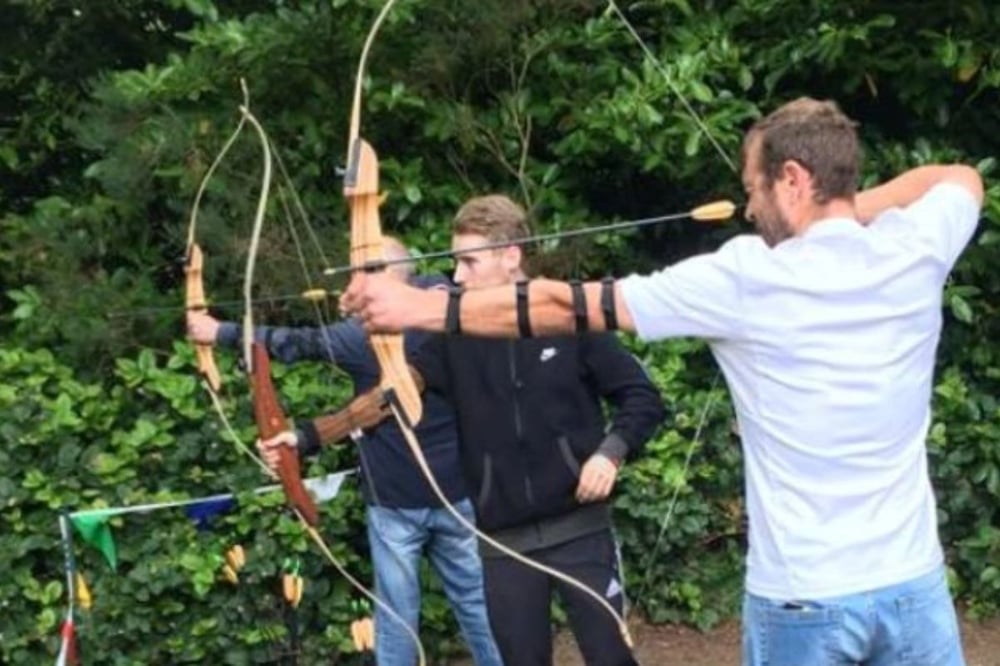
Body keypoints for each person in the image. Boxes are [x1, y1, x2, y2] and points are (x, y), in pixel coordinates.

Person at [341, 98, 983, 666]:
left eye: (754, 190)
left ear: (793, 179)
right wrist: (839, 215)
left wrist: (415, 307)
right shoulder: (917, 247)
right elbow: (959, 177)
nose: (750, 208)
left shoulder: (745, 277)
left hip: (804, 597)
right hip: (912, 585)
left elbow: (565, 308)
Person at [187, 238, 502, 666]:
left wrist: (217, 332)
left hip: (396, 504)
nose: (354, 284)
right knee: (476, 604)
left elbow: (297, 343)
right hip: (455, 491)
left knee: (396, 616)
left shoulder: (363, 338)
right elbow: (433, 283)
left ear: (387, 279)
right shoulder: (444, 312)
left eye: (363, 274)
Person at [384, 195, 665, 666]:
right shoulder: (451, 337)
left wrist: (610, 452)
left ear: (511, 256)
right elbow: (394, 394)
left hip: (580, 529)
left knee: (611, 657)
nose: (458, 276)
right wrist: (307, 437)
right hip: (503, 544)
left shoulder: (567, 318)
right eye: (456, 263)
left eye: (469, 262)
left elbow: (642, 397)